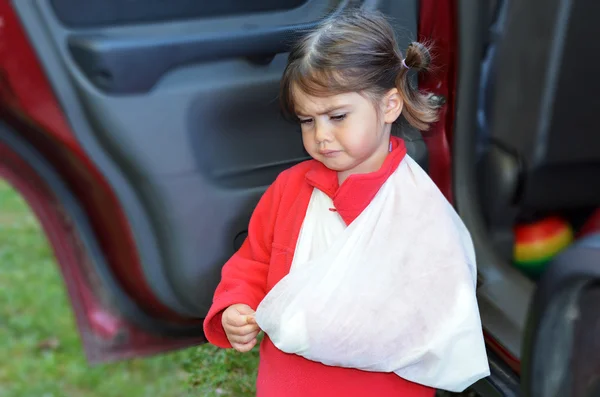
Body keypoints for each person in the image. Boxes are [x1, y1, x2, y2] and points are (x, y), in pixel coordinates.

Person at [204, 9, 488, 397]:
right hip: (288, 383)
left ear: (390, 106)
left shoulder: (416, 208)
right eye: (307, 120)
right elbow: (254, 261)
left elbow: (432, 311)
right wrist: (235, 304)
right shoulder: (290, 189)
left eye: (337, 116)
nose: (321, 135)